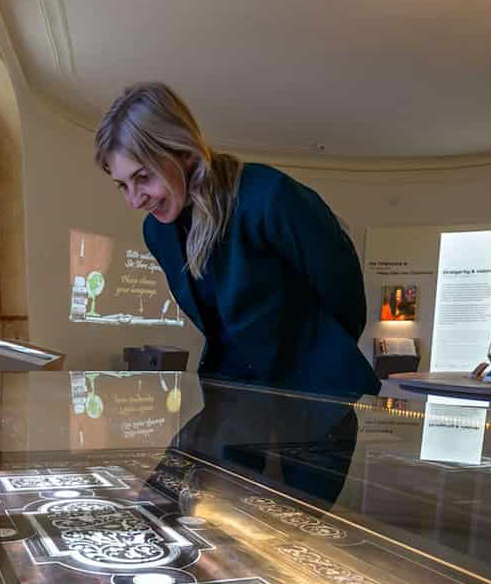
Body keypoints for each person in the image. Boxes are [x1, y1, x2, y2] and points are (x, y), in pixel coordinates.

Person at [95, 82, 380, 401]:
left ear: (183, 152)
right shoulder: (157, 232)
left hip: (321, 393)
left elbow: (344, 293)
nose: (134, 200)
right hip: (234, 394)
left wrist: (321, 357)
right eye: (122, 185)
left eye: (143, 177)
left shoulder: (269, 196)